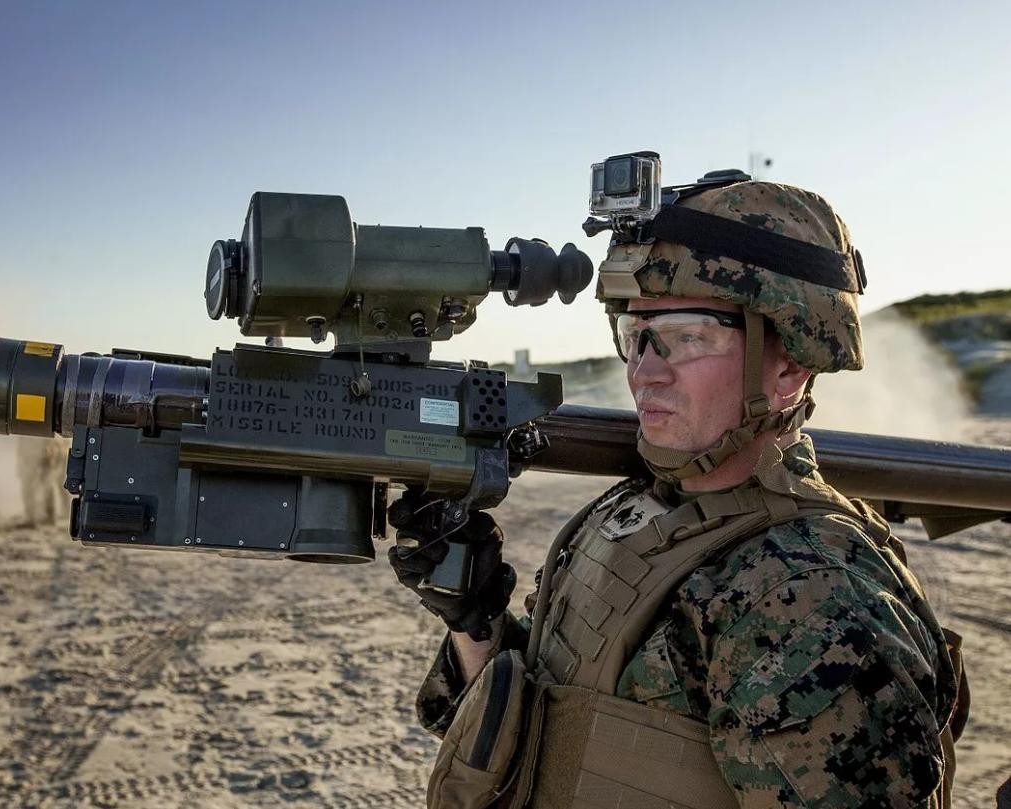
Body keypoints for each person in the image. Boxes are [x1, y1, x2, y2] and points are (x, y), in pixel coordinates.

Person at [389, 174, 966, 808]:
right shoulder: (637, 511)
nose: (644, 372)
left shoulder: (808, 598)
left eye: (688, 337)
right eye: (634, 337)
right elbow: (538, 746)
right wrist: (475, 621)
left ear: (790, 366)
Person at [16, 435, 69, 526]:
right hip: (37, 452)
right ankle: (39, 515)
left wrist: (52, 452)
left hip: (43, 451)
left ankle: (44, 515)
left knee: (47, 484)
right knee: (42, 484)